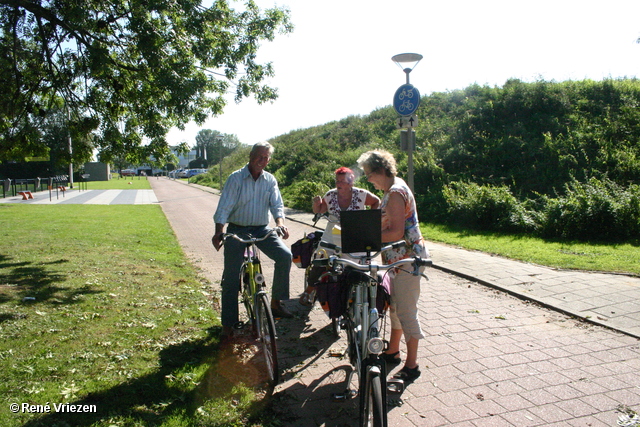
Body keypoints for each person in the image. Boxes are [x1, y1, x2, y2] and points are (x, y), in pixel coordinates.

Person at [357, 149, 428, 382]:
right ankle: (393, 351)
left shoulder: (396, 192)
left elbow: (397, 232)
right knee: (396, 307)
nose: (367, 179)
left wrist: (366, 237)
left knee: (407, 311)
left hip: (407, 259)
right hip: (396, 260)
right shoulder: (391, 189)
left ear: (379, 170)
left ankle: (412, 365)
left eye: (368, 174)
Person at [212, 142, 293, 341]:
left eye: (266, 158)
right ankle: (228, 324)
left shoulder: (270, 180)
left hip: (261, 228)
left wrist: (280, 224)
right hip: (237, 229)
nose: (262, 161)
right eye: (259, 156)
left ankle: (275, 303)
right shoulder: (236, 178)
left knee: (285, 256)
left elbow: (277, 205)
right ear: (250, 156)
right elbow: (224, 206)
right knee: (230, 277)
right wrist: (219, 232)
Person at [299, 167, 380, 306]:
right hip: (332, 235)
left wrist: (369, 220)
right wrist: (316, 205)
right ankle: (309, 290)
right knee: (321, 259)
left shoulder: (361, 194)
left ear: (351, 181)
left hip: (354, 234)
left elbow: (376, 201)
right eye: (337, 181)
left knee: (356, 265)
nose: (339, 184)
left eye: (342, 181)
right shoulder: (330, 195)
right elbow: (319, 211)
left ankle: (354, 296)